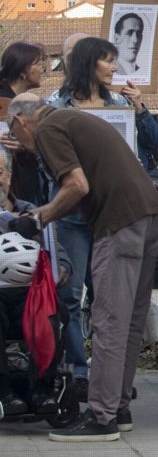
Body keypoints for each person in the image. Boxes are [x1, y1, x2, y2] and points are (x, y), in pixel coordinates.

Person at [9, 93, 158, 442]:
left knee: (108, 320)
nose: (21, 146)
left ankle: (101, 416)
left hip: (120, 222)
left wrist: (39, 218)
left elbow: (77, 185)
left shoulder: (49, 129)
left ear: (21, 122)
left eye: (14, 134)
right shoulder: (71, 119)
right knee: (129, 322)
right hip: (150, 217)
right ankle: (118, 407)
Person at [49, 36, 158, 394]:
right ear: (89, 64)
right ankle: (79, 372)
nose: (115, 68)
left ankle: (108, 375)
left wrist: (142, 110)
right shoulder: (56, 105)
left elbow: (154, 145)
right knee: (70, 294)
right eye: (108, 61)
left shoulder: (118, 102)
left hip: (113, 212)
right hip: (73, 214)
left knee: (108, 297)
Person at [0, 147, 73, 420]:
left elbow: (62, 257)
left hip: (30, 298)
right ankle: (5, 392)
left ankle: (42, 390)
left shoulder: (31, 212)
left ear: (9, 175)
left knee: (55, 312)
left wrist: (60, 271)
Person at [0, 41, 48, 204]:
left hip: (27, 185)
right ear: (22, 70)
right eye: (37, 64)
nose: (42, 69)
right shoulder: (3, 102)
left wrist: (27, 146)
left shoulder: (33, 104)